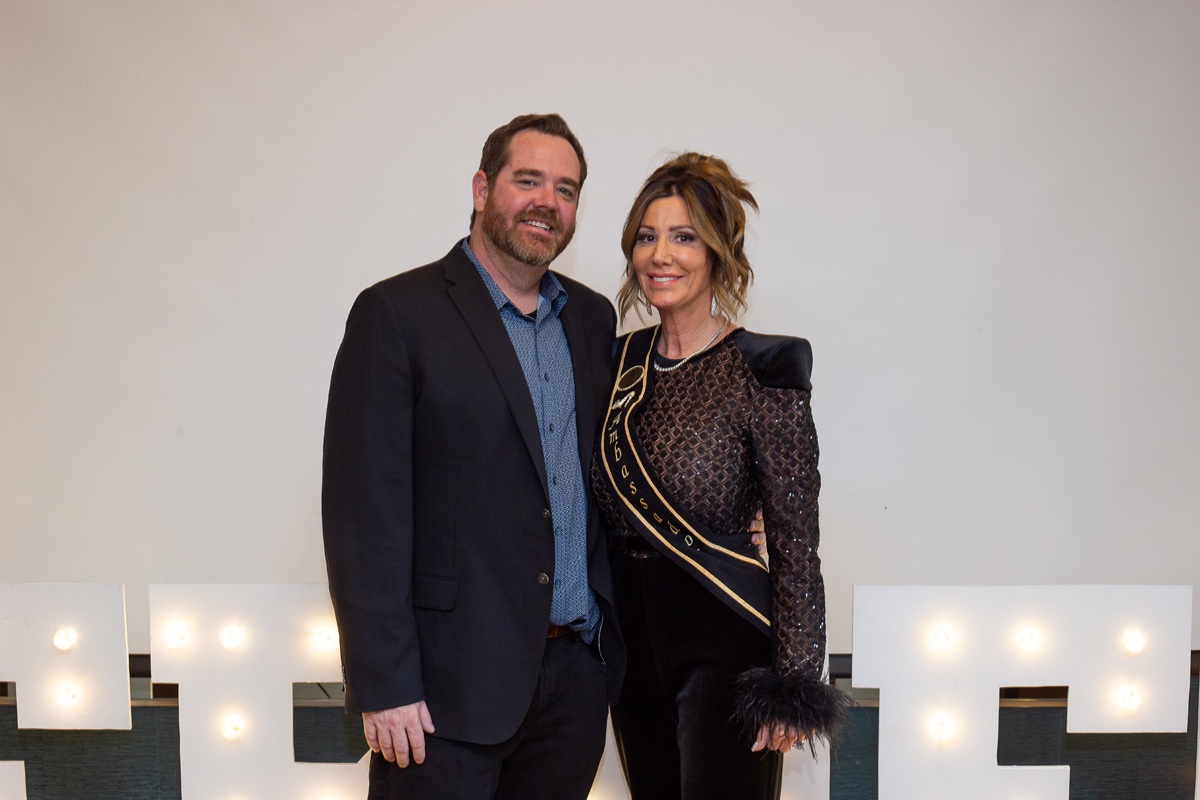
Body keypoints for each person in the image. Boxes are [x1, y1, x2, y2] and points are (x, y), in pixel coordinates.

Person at [321, 113, 626, 800]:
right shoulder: (396, 314)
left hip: (572, 687)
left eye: (567, 189)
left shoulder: (591, 319)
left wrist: (737, 514)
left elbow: (615, 469)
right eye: (528, 180)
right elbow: (363, 514)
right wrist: (384, 684)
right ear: (483, 188)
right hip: (440, 694)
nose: (547, 201)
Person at [591, 152, 849, 800]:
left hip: (724, 637)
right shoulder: (613, 365)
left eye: (683, 237)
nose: (660, 255)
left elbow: (795, 541)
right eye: (646, 237)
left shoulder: (763, 368)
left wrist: (794, 680)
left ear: (717, 252)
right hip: (629, 642)